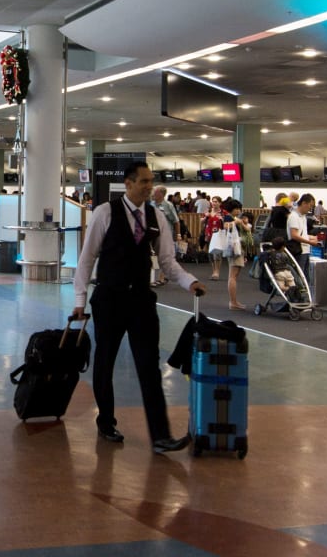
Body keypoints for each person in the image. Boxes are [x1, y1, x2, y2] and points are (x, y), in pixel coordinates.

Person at [72, 162, 204, 453]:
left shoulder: (156, 216)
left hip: (141, 302)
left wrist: (189, 281)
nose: (149, 186)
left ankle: (160, 436)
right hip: (109, 299)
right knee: (104, 361)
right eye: (143, 181)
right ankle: (106, 421)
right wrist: (80, 300)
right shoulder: (104, 213)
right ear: (128, 184)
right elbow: (86, 258)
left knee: (148, 366)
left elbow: (168, 262)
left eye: (150, 181)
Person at [220, 198, 247, 310]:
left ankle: (234, 301)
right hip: (234, 248)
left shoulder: (234, 218)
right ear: (233, 209)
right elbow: (226, 226)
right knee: (233, 276)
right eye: (238, 209)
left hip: (237, 248)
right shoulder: (229, 217)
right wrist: (236, 222)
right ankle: (233, 302)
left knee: (234, 276)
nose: (239, 211)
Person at [150, 185, 180, 286]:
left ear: (161, 194)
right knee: (152, 255)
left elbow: (176, 221)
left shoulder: (168, 205)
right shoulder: (151, 204)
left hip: (165, 234)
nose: (152, 193)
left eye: (155, 192)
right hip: (153, 234)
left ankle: (161, 278)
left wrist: (178, 234)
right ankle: (152, 277)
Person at [287, 193, 320, 273]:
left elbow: (301, 234)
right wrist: (310, 242)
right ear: (304, 203)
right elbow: (294, 235)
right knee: (300, 278)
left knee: (305, 277)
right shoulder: (294, 216)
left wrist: (313, 237)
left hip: (305, 251)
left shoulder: (303, 217)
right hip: (299, 252)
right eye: (310, 206)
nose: (310, 209)